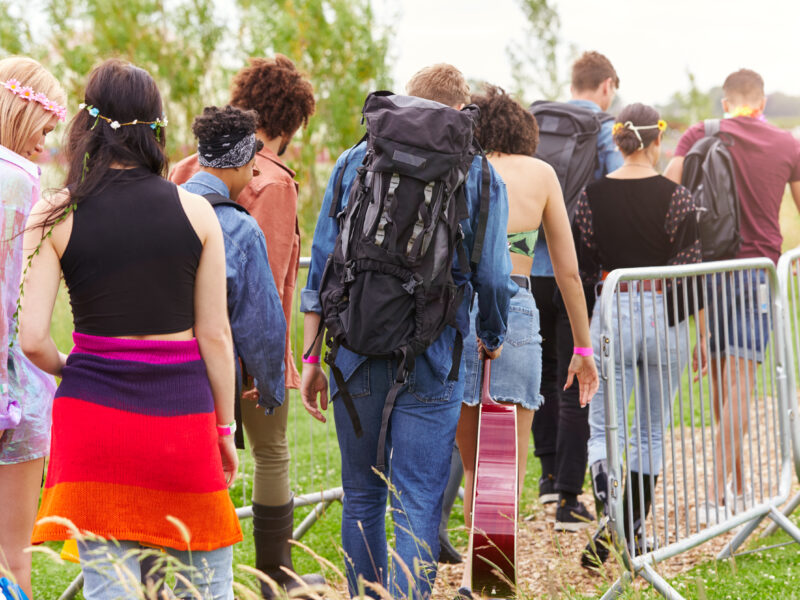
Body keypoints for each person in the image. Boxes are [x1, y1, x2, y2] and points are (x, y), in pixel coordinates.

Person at [21, 59, 241, 599]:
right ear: (157, 126)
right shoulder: (197, 211)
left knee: (110, 585)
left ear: (86, 124)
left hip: (92, 416)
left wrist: (71, 367)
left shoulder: (54, 214)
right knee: (204, 580)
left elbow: (30, 338)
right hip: (181, 417)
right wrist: (224, 429)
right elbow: (215, 336)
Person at [300, 64, 514, 599]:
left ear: (407, 102)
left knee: (362, 493)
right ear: (460, 112)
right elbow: (492, 274)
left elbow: (323, 263)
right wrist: (492, 331)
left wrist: (310, 356)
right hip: (433, 351)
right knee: (416, 498)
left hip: (353, 347)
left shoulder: (356, 159)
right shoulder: (480, 172)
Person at [170, 58, 321, 596]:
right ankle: (274, 575)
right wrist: (273, 364)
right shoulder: (274, 182)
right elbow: (271, 276)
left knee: (199, 453)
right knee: (270, 452)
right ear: (290, 121)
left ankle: (191, 570)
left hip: (181, 341)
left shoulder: (184, 169)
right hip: (243, 347)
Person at [455, 85, 598, 594]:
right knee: (508, 457)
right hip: (514, 305)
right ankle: (493, 580)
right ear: (524, 130)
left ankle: (477, 578)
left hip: (458, 311)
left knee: (473, 463)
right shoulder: (540, 175)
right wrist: (583, 349)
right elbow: (568, 273)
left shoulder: (460, 168)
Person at [665, 69, 800, 519]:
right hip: (756, 274)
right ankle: (715, 497)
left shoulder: (701, 133)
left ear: (727, 103)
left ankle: (731, 494)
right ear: (761, 103)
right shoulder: (787, 144)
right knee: (738, 388)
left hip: (710, 271)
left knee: (726, 389)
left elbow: (667, 190)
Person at [577, 103, 703, 566]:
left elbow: (584, 266)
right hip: (665, 312)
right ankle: (628, 531)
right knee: (650, 429)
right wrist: (701, 334)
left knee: (603, 427)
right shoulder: (679, 198)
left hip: (612, 306)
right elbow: (692, 268)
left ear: (616, 141)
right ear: (656, 143)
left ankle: (612, 524)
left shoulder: (590, 198)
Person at [529, 50, 624, 529]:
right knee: (576, 378)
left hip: (528, 267)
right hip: (575, 271)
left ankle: (547, 480)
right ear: (606, 85)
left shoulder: (539, 119)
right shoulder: (603, 127)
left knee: (543, 374)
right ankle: (570, 497)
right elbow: (612, 193)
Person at [0, 55, 65, 600]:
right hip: (12, 394)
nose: (53, 133)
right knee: (13, 560)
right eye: (48, 121)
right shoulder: (17, 180)